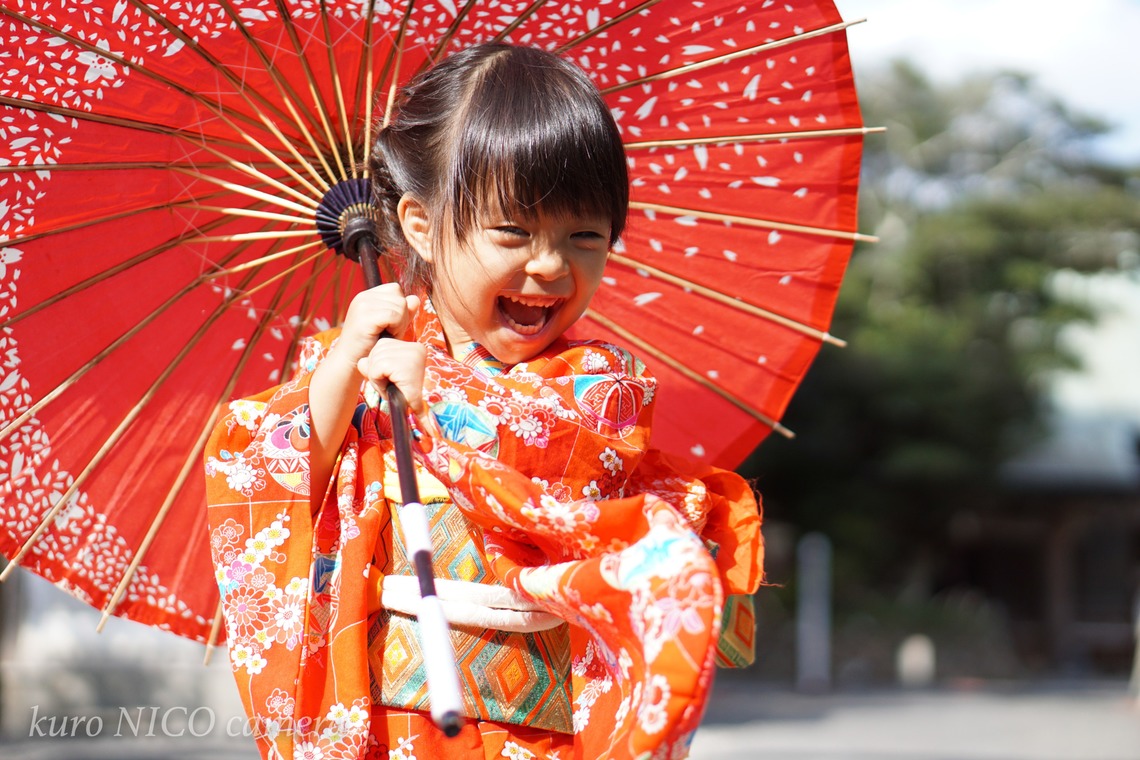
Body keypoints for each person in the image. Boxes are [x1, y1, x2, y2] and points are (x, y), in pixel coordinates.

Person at [204, 43, 763, 760]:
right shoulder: (355, 368)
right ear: (418, 224)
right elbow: (259, 483)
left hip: (542, 733)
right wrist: (340, 374)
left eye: (584, 237)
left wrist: (436, 391)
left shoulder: (601, 392)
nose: (551, 265)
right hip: (394, 724)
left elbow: (578, 468)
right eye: (513, 232)